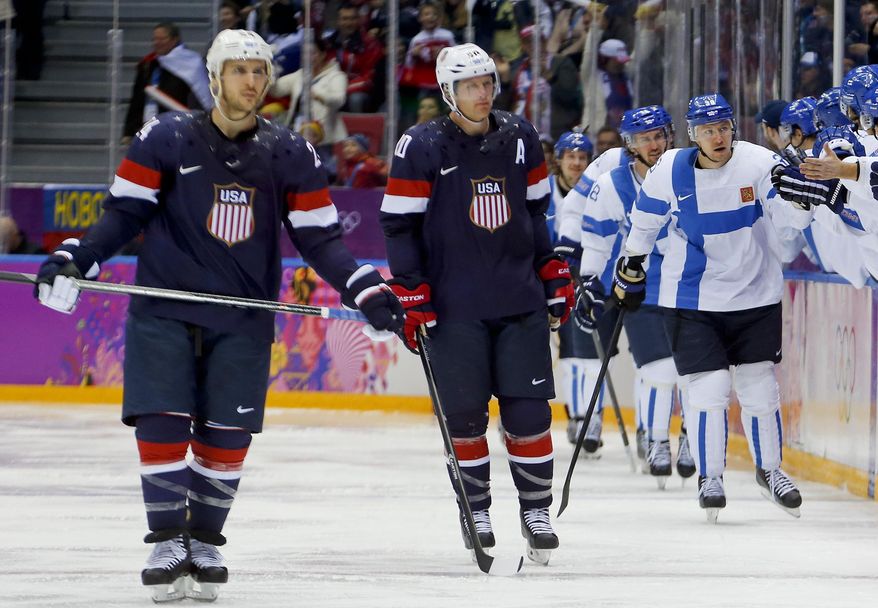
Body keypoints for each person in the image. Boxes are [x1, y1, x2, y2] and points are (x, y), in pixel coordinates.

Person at [33, 29, 403, 602]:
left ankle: (203, 540)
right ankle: (165, 541)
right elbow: (122, 215)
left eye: (260, 72)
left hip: (244, 318)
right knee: (162, 419)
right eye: (240, 71)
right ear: (214, 77)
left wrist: (364, 287)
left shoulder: (290, 152)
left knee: (227, 433)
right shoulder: (164, 137)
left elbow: (320, 240)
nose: (253, 82)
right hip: (165, 309)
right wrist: (75, 256)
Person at [379, 42, 574, 565]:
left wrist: (551, 268)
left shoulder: (520, 136)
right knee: (465, 418)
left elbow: (536, 214)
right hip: (453, 308)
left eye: (488, 82)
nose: (483, 93)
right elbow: (398, 224)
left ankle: (537, 512)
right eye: (471, 85)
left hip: (519, 301)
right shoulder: (418, 145)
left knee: (530, 412)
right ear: (449, 92)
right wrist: (411, 288)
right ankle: (478, 510)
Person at [612, 93, 809, 522]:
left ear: (733, 129)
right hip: (692, 299)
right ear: (692, 134)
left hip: (756, 295)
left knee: (759, 387)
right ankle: (710, 477)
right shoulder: (669, 170)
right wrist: (630, 263)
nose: (717, 136)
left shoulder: (759, 163)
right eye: (708, 129)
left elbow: (787, 219)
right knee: (710, 390)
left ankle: (770, 471)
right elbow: (645, 221)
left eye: (723, 127)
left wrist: (800, 200)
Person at [575, 106, 696, 485]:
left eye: (659, 135)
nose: (654, 144)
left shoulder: (692, 170)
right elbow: (597, 235)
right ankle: (658, 439)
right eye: (645, 138)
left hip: (694, 284)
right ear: (630, 145)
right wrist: (589, 281)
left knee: (696, 371)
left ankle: (691, 438)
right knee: (658, 369)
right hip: (640, 285)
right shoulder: (614, 184)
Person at [122, 22, 212, 143]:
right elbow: (137, 101)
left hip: (179, 128)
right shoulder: (148, 65)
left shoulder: (192, 64)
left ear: (175, 40)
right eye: (154, 39)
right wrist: (129, 131)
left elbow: (201, 99)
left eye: (162, 39)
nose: (157, 43)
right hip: (148, 126)